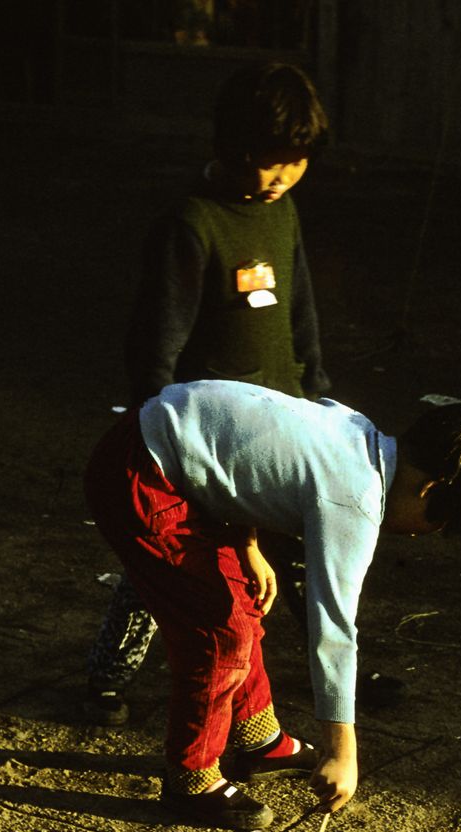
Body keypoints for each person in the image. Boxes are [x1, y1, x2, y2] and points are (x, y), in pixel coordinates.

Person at [83, 381, 461, 829]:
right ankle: (190, 779)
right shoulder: (354, 498)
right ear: (429, 489)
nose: (427, 534)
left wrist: (246, 542)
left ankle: (258, 738)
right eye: (437, 521)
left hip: (168, 453)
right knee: (220, 633)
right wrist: (342, 752)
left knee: (241, 601)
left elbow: (244, 452)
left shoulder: (356, 430)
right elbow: (333, 629)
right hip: (140, 475)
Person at [86, 61, 331, 725]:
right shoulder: (191, 226)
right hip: (202, 436)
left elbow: (299, 312)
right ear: (231, 148)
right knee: (175, 560)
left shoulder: (283, 215)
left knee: (293, 553)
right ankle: (107, 676)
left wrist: (316, 391)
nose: (281, 178)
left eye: (295, 163)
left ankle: (299, 676)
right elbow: (154, 344)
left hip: (279, 422)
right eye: (268, 163)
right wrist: (158, 436)